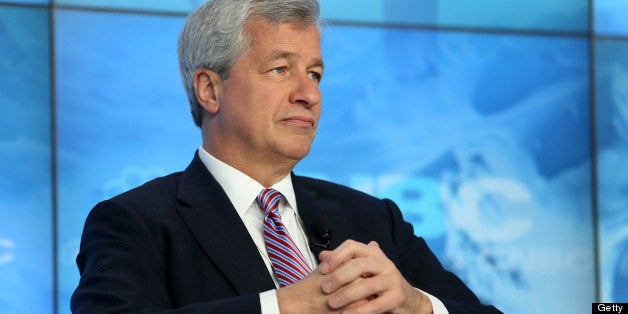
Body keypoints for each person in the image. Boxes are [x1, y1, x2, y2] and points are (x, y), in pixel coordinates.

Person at [71, 0, 502, 313]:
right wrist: (279, 309)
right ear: (210, 89)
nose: (309, 94)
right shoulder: (134, 223)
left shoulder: (374, 219)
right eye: (281, 69)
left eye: (315, 74)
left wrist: (416, 306)